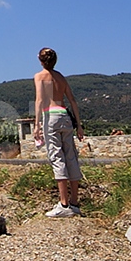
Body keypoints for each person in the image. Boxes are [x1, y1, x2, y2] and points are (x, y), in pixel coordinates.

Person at [33, 47, 84, 218]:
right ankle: (75, 203)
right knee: (71, 156)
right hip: (65, 116)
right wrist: (79, 125)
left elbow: (40, 99)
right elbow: (72, 100)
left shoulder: (39, 77)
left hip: (51, 116)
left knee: (57, 157)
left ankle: (64, 203)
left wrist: (37, 124)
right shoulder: (61, 77)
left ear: (41, 60)